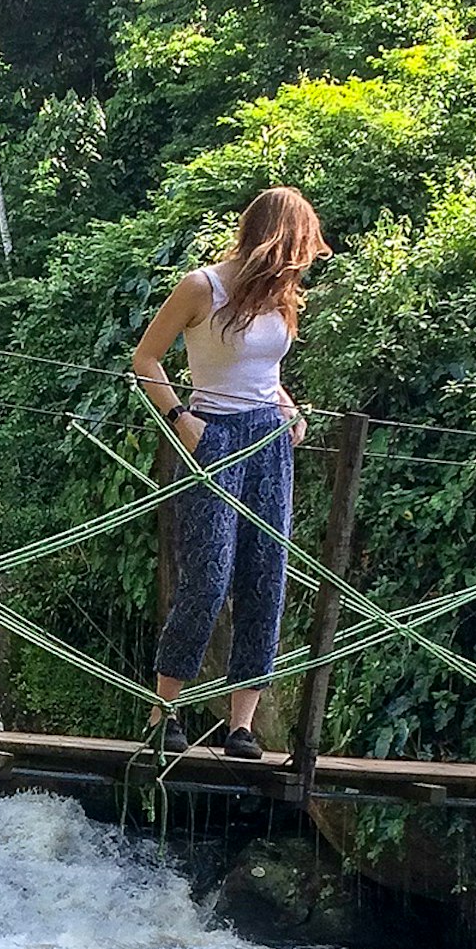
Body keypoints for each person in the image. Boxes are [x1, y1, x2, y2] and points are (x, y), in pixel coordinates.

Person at [130, 186, 331, 756]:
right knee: (209, 578)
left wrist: (288, 408)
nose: (301, 263)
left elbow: (262, 370)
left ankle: (241, 725)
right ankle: (163, 714)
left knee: (267, 579)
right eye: (299, 248)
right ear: (277, 240)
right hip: (212, 439)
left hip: (270, 441)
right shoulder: (203, 287)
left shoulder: (279, 297)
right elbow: (146, 359)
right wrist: (180, 418)